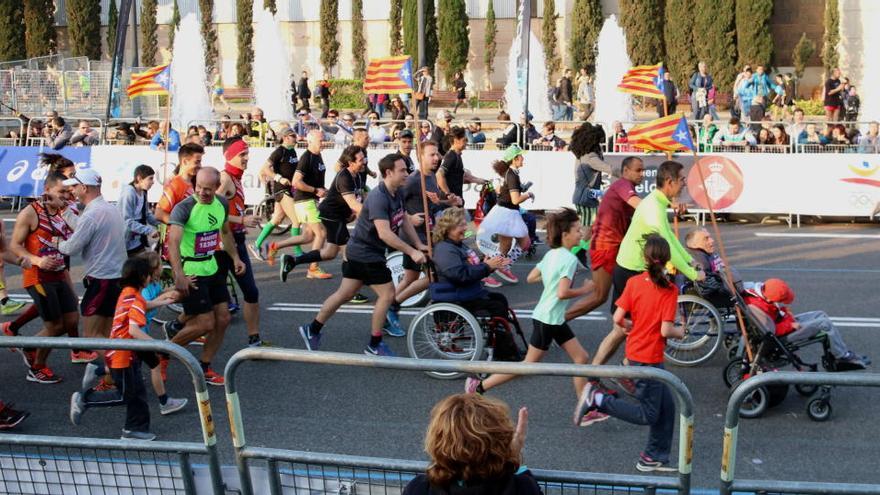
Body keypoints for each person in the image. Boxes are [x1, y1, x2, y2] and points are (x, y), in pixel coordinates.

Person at [296, 154, 428, 357]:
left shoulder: (397, 192)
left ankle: (312, 329)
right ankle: (375, 345)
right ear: (388, 173)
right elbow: (385, 233)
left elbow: (404, 221)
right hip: (366, 254)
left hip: (360, 252)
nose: (407, 173)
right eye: (402, 170)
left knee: (344, 294)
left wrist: (418, 243)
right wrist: (412, 251)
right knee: (387, 295)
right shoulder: (378, 197)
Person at [574, 234, 683, 473]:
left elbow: (617, 318)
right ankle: (598, 400)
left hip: (636, 353)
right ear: (666, 260)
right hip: (650, 359)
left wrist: (629, 327)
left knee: (667, 407)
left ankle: (653, 457)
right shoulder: (669, 289)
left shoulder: (634, 283)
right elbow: (666, 329)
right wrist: (680, 332)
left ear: (645, 258)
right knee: (648, 414)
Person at [466, 208, 594, 398]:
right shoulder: (568, 259)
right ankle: (479, 387)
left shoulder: (552, 254)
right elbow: (562, 293)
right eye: (576, 230)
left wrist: (551, 278)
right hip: (548, 319)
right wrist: (586, 289)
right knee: (528, 365)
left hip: (553, 318)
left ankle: (585, 405)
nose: (580, 233)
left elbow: (532, 277)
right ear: (565, 235)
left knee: (581, 357)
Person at [589, 161, 704, 372]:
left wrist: (689, 261)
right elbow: (667, 245)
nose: (685, 184)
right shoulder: (653, 206)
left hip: (638, 267)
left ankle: (624, 368)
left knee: (634, 327)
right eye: (682, 180)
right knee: (621, 330)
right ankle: (593, 372)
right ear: (669, 182)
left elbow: (669, 235)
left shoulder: (658, 203)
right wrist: (692, 274)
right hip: (630, 269)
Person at [164, 168, 245, 386]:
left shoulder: (221, 203)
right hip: (192, 271)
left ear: (217, 187)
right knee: (204, 323)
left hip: (212, 267)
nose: (202, 192)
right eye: (198, 187)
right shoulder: (184, 208)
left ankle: (204, 366)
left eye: (207, 189)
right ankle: (162, 354)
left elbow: (225, 233)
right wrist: (178, 274)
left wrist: (236, 258)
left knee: (224, 319)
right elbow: (173, 242)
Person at [69, 257, 163, 440]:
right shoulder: (135, 298)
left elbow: (143, 306)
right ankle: (84, 400)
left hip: (124, 354)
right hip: (123, 356)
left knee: (138, 393)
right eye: (149, 275)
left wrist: (163, 301)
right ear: (144, 277)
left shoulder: (128, 292)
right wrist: (159, 344)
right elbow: (134, 330)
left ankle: (135, 430)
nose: (151, 278)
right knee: (126, 395)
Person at [8, 172, 79, 383]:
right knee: (55, 326)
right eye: (61, 192)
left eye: (68, 191)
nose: (65, 196)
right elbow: (13, 245)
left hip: (60, 273)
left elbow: (82, 231)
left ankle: (28, 345)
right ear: (47, 191)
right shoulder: (30, 213)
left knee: (72, 321)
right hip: (38, 276)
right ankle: (37, 367)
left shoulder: (65, 211)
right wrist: (37, 260)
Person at [385, 141, 462, 335]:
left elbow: (432, 206)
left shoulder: (431, 178)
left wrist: (448, 202)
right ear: (420, 157)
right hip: (415, 237)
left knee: (411, 276)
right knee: (432, 276)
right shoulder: (413, 181)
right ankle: (393, 306)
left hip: (427, 234)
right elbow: (394, 200)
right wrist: (409, 217)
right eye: (432, 155)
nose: (437, 158)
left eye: (437, 154)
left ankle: (388, 309)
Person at [401, 394, 539, 495]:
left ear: (437, 442)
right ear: (501, 442)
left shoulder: (419, 488)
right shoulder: (522, 487)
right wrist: (512, 456)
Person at [566, 157, 644, 323]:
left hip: (617, 248)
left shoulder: (627, 188)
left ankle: (627, 326)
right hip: (605, 247)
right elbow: (643, 207)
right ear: (625, 171)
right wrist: (669, 205)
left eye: (643, 170)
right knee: (599, 296)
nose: (642, 174)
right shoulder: (623, 185)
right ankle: (557, 323)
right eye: (638, 170)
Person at [58, 168, 127, 345]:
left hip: (101, 280)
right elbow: (85, 228)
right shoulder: (109, 208)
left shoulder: (92, 214)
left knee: (91, 338)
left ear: (84, 187)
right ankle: (110, 372)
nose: (71, 191)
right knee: (107, 336)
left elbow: (71, 248)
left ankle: (119, 368)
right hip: (115, 277)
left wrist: (56, 242)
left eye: (74, 186)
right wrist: (65, 211)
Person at [276, 145, 367, 275]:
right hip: (331, 216)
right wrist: (374, 215)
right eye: (361, 160)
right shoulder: (344, 177)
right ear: (351, 163)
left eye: (364, 158)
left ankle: (292, 260)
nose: (364, 161)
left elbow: (358, 199)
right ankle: (352, 289)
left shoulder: (357, 175)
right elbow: (352, 203)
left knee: (330, 253)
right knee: (349, 251)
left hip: (338, 216)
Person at [744, 278, 868, 368]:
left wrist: (786, 316)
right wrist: (790, 325)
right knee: (825, 324)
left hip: (784, 322)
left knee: (820, 314)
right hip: (782, 335)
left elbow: (775, 315)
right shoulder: (758, 308)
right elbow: (771, 331)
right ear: (770, 298)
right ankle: (842, 355)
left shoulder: (761, 296)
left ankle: (840, 350)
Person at [216, 137, 269, 348]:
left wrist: (242, 222)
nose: (247, 158)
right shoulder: (225, 178)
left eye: (247, 154)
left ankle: (254, 339)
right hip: (222, 244)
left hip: (236, 239)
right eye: (242, 155)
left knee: (251, 292)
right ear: (230, 156)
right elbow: (208, 211)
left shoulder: (235, 178)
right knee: (213, 297)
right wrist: (241, 219)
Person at [273, 129, 331, 279]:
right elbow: (296, 182)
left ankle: (275, 246)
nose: (323, 142)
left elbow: (317, 182)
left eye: (323, 139)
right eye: (320, 140)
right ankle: (313, 268)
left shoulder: (318, 156)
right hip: (305, 200)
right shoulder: (307, 158)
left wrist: (326, 191)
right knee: (322, 233)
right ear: (310, 141)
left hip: (310, 200)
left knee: (307, 236)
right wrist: (315, 190)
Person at [477, 146, 533, 285]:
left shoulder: (510, 173)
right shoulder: (512, 175)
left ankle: (496, 268)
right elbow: (515, 200)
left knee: (508, 246)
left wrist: (522, 190)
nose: (523, 158)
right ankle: (489, 270)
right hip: (507, 213)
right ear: (514, 159)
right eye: (520, 156)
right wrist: (528, 194)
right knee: (521, 243)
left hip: (506, 212)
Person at [252, 128, 301, 260]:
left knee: (277, 219)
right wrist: (279, 178)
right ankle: (298, 251)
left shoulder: (292, 151)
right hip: (282, 190)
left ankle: (256, 244)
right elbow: (264, 169)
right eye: (293, 136)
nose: (295, 138)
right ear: (285, 137)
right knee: (297, 221)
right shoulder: (279, 151)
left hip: (289, 189)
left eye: (295, 135)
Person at [436, 126, 487, 210]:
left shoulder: (457, 156)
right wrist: (448, 194)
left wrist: (482, 181)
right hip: (451, 203)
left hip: (457, 200)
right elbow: (439, 175)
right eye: (464, 140)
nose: (466, 142)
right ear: (456, 140)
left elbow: (465, 177)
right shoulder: (451, 156)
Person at [119, 165, 160, 257]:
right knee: (126, 270)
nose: (153, 182)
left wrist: (161, 223)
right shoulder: (129, 193)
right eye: (150, 178)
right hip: (123, 243)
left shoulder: (143, 192)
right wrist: (149, 230)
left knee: (142, 267)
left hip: (137, 241)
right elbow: (127, 221)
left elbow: (146, 214)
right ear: (139, 178)